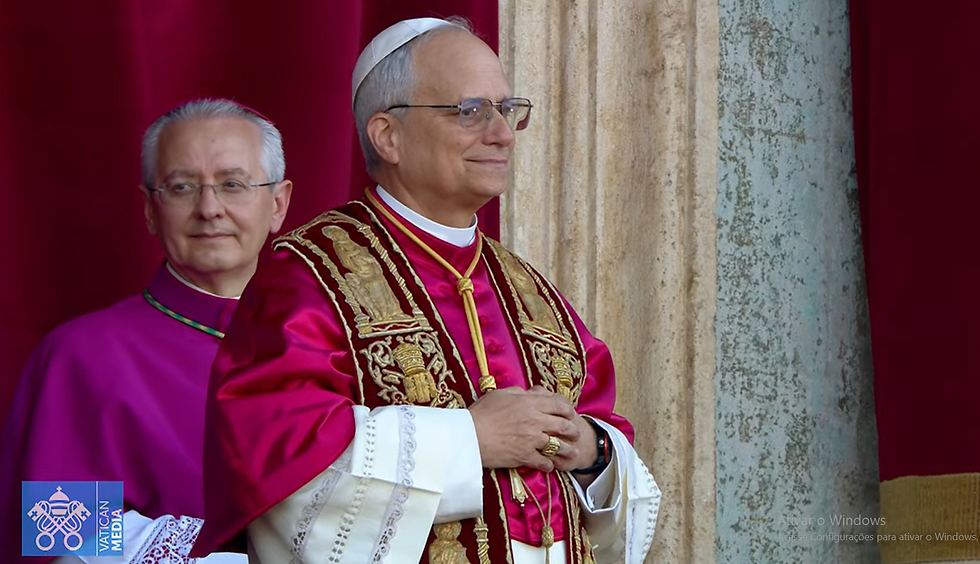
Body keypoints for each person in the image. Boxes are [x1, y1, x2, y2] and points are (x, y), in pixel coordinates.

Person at [192, 17, 661, 564]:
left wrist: (593, 452)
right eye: (471, 111)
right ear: (387, 135)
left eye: (508, 110)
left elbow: (607, 439)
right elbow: (280, 466)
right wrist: (467, 440)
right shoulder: (309, 276)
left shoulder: (529, 287)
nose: (503, 134)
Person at [0, 98, 293, 563]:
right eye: (181, 188)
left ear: (277, 204)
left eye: (232, 184)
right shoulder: (82, 356)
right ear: (151, 210)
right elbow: (61, 540)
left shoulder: (333, 337)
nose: (209, 208)